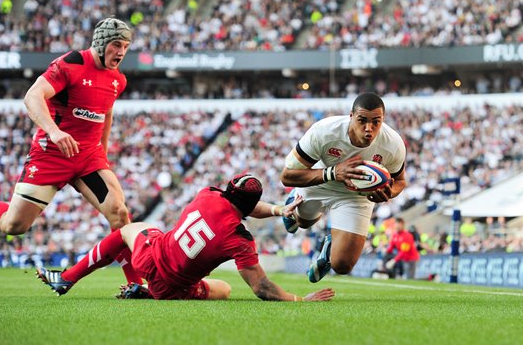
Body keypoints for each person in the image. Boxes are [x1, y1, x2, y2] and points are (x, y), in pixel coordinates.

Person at [0, 17, 142, 284]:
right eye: (116, 45)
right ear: (101, 43)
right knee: (14, 226)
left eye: (126, 46)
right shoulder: (70, 64)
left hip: (88, 157)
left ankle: (135, 284)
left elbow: (105, 113)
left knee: (120, 213)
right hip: (51, 154)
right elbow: (32, 97)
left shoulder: (118, 80)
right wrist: (54, 131)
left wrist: (103, 154)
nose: (121, 52)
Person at [37, 174, 335, 302]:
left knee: (127, 229)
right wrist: (298, 299)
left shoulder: (207, 193)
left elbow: (242, 205)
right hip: (173, 288)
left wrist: (277, 209)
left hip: (151, 255)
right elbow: (262, 287)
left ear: (228, 190)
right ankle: (143, 290)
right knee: (226, 290)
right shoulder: (239, 238)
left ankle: (70, 277)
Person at [280, 92, 406, 283]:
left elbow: (400, 181)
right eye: (362, 120)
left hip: (355, 195)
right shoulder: (324, 131)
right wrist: (332, 173)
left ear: (383, 120)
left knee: (342, 265)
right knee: (304, 223)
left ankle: (328, 250)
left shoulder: (393, 144)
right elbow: (287, 176)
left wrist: (388, 193)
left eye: (376, 122)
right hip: (320, 181)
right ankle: (295, 201)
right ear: (351, 116)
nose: (368, 129)